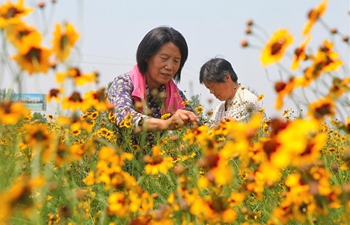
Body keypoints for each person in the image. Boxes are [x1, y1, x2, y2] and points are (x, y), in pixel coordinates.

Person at [107, 26, 200, 136]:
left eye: (176, 61)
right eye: (164, 58)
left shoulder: (175, 95)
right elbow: (123, 116)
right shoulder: (124, 83)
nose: (170, 67)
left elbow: (198, 125)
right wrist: (165, 124)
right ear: (147, 56)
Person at [199, 57, 265, 124]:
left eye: (212, 86)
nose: (211, 92)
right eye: (208, 88)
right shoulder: (219, 110)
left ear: (227, 78)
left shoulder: (247, 101)